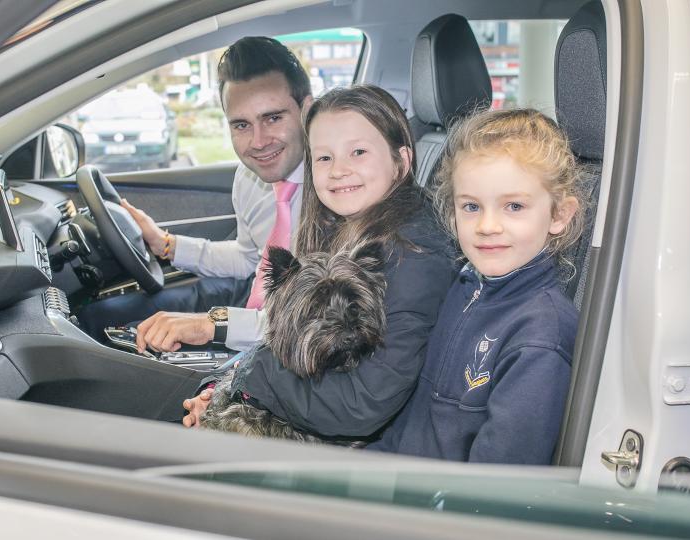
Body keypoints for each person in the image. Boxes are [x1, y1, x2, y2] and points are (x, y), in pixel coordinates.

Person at [183, 84, 457, 439]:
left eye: (358, 152)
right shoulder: (347, 223)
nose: (339, 170)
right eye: (324, 158)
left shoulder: (414, 257)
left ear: (401, 161)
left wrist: (248, 379)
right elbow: (286, 336)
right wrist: (218, 388)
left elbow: (361, 405)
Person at [370, 108, 584, 464]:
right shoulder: (465, 286)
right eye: (471, 207)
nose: (487, 226)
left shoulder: (541, 336)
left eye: (513, 206)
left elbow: (499, 479)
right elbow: (411, 421)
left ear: (559, 215)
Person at [78, 37, 312, 352]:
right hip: (255, 301)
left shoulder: (340, 191)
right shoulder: (249, 177)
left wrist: (211, 325)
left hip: (293, 337)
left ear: (306, 110)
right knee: (100, 320)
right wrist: (165, 244)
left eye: (273, 118)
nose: (258, 142)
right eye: (241, 125)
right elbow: (248, 259)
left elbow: (320, 323)